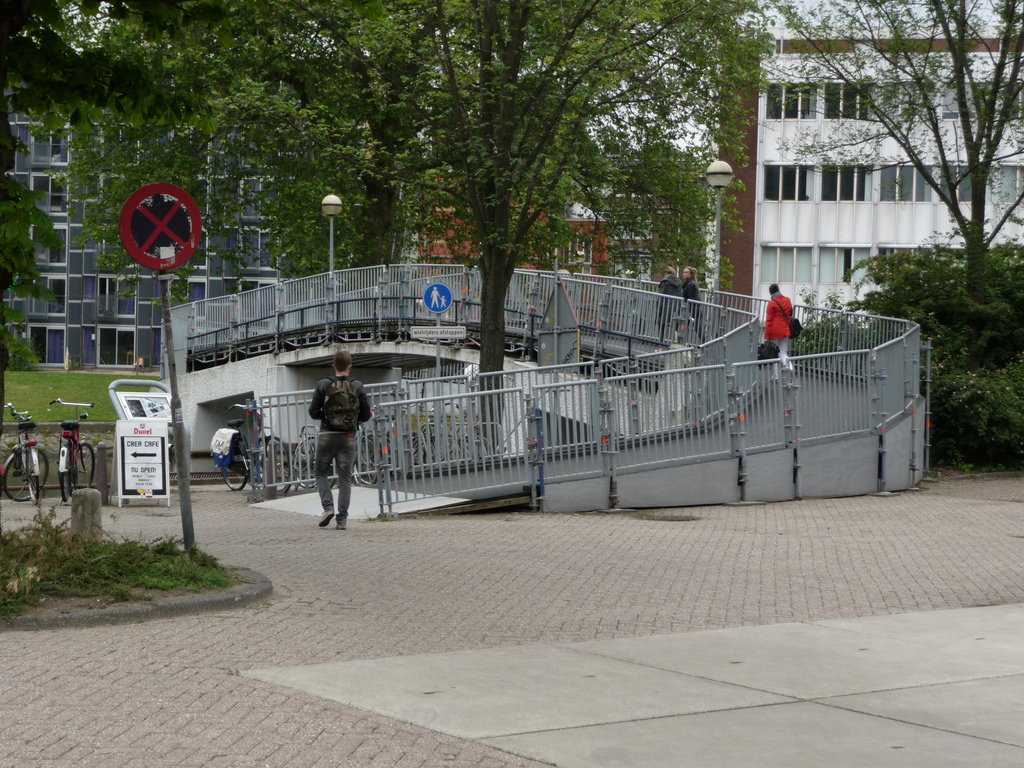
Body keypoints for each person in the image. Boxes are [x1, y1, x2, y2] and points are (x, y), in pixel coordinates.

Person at [308, 349, 372, 529]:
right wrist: (351, 420)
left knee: (320, 473)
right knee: (345, 479)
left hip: (326, 435)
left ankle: (327, 508)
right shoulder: (358, 386)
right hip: (348, 436)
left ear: (334, 366)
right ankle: (342, 520)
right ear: (350, 367)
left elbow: (313, 412)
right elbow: (366, 415)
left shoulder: (323, 385)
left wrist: (327, 417)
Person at [764, 283, 794, 380]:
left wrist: (766, 336)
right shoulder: (787, 300)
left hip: (774, 331)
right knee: (783, 352)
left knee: (774, 354)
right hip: (786, 330)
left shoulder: (772, 303)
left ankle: (775, 377)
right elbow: (790, 313)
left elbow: (769, 320)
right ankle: (790, 368)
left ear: (770, 292)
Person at [656, 267, 684, 340]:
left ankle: (661, 341)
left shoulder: (665, 282)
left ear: (666, 273)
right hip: (677, 306)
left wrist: (659, 307)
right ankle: (682, 341)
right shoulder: (679, 282)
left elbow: (661, 296)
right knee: (676, 325)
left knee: (661, 323)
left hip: (666, 306)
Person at [681, 266, 703, 342]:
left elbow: (690, 298)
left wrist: (690, 310)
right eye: (683, 272)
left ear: (691, 274)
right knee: (694, 326)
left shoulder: (690, 284)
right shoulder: (691, 283)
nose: (684, 274)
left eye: (686, 273)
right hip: (695, 308)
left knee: (696, 327)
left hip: (694, 308)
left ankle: (705, 342)